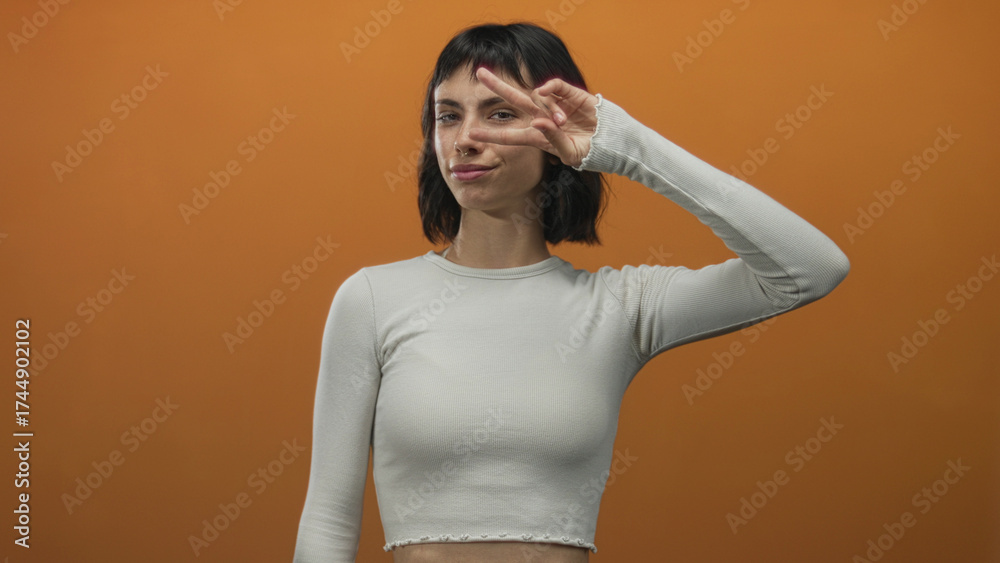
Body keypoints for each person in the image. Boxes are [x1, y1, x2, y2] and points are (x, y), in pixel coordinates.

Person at [293, 21, 850, 563]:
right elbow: (328, 518)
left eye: (500, 113)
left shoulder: (621, 308)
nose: (464, 140)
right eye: (448, 116)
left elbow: (810, 267)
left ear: (554, 130)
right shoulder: (371, 299)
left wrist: (629, 146)